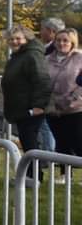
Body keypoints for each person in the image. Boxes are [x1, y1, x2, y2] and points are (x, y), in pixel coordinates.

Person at [1, 25, 51, 153]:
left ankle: (36, 172)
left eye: (18, 38)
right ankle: (31, 171)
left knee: (31, 142)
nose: (14, 41)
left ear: (27, 39)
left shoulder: (32, 55)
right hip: (21, 108)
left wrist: (39, 105)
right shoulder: (17, 56)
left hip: (31, 109)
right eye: (11, 39)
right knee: (27, 142)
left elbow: (41, 79)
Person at [45, 28, 82, 158]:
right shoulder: (47, 59)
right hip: (53, 108)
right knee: (61, 143)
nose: (62, 43)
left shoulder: (79, 58)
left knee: (78, 141)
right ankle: (65, 173)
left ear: (72, 42)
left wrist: (75, 99)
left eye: (65, 41)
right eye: (58, 40)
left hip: (75, 109)